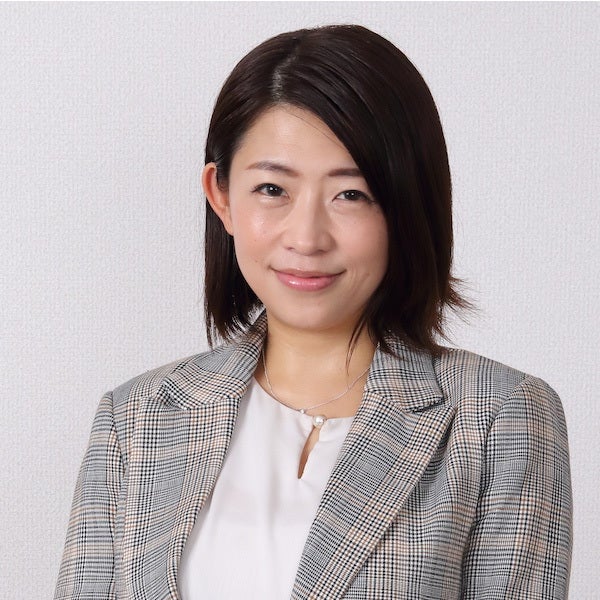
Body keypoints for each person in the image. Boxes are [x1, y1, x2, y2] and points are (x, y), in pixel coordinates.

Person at [54, 25, 572, 599]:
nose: (306, 237)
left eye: (351, 194)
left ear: (407, 205)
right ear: (221, 195)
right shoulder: (136, 418)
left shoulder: (500, 417)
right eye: (272, 189)